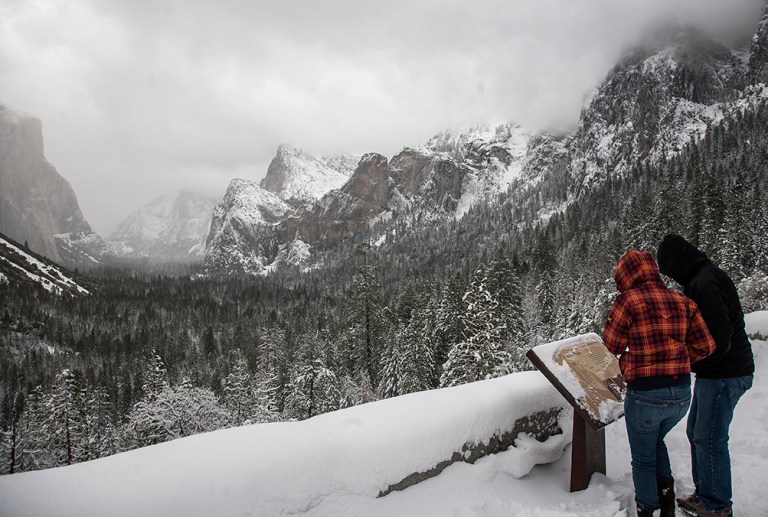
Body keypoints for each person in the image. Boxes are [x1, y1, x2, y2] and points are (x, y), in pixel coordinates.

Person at [603, 249, 715, 517]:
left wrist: (633, 359)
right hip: (680, 395)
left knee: (643, 460)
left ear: (627, 275)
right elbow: (706, 345)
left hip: (645, 394)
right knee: (656, 442)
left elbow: (611, 345)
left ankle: (647, 509)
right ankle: (666, 504)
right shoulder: (682, 301)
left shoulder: (628, 301)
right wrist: (678, 360)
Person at [656, 234, 755, 517]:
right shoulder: (703, 278)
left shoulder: (704, 284)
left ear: (678, 262)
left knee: (709, 437)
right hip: (717, 373)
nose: (671, 277)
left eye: (670, 269)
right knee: (697, 433)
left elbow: (719, 338)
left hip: (724, 374)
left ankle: (716, 504)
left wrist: (684, 359)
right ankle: (706, 494)